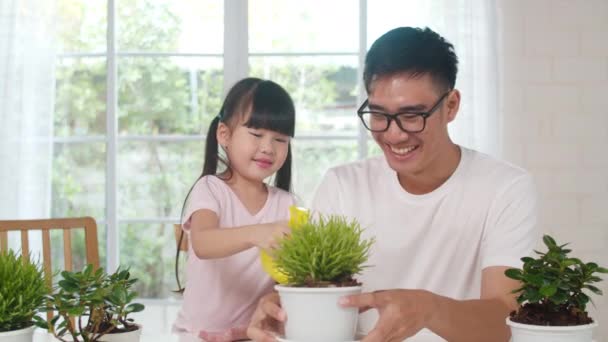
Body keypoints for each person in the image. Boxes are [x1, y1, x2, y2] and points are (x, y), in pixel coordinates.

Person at [247, 27, 538, 342]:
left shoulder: (505, 188)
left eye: (412, 116)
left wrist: (429, 309)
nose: (394, 134)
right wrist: (283, 312)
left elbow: (506, 320)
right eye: (379, 114)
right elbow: (316, 290)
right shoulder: (343, 185)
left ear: (451, 106)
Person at [173, 77, 297, 342]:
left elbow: (294, 279)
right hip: (198, 336)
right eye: (256, 134)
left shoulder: (288, 204)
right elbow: (203, 243)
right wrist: (256, 233)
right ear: (224, 135)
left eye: (280, 139)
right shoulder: (210, 188)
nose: (267, 147)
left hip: (254, 335)